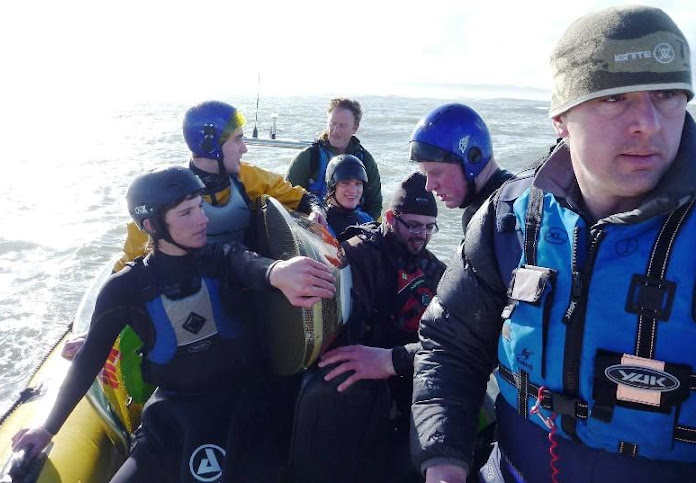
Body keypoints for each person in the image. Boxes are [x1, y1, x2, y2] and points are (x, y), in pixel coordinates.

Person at [411, 6, 696, 483]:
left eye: (668, 95)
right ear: (561, 118)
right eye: (614, 98)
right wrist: (444, 460)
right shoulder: (508, 219)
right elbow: (450, 345)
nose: (648, 123)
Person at [12, 166, 336, 482]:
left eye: (200, 207)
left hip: (244, 408)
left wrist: (278, 272)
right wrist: (47, 428)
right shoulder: (124, 288)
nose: (203, 219)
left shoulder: (220, 257)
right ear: (151, 225)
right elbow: (88, 361)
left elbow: (251, 265)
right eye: (186, 213)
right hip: (172, 416)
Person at [289, 172, 446, 482]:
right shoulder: (358, 254)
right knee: (334, 384)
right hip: (365, 364)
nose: (421, 235)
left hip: (405, 363)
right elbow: (344, 333)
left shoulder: (435, 270)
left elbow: (450, 342)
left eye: (429, 227)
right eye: (413, 225)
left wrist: (397, 362)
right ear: (389, 218)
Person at [114, 100, 326, 272]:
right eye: (237, 140)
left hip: (249, 274)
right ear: (211, 146)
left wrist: (316, 211)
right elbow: (128, 263)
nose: (244, 148)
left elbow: (302, 198)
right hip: (197, 289)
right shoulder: (167, 192)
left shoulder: (249, 177)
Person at [409, 102, 513, 232]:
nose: (429, 187)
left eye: (436, 173)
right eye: (425, 174)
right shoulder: (509, 198)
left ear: (473, 158)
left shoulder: (501, 218)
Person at [286, 98, 383, 220]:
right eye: (332, 123)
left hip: (354, 225)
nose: (336, 130)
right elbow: (288, 198)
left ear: (355, 128)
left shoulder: (365, 161)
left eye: (343, 126)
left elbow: (375, 205)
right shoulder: (307, 158)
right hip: (313, 225)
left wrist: (360, 228)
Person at [323, 154, 374, 239]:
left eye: (358, 183)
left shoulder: (366, 219)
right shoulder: (321, 223)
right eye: (345, 183)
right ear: (332, 187)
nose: (353, 190)